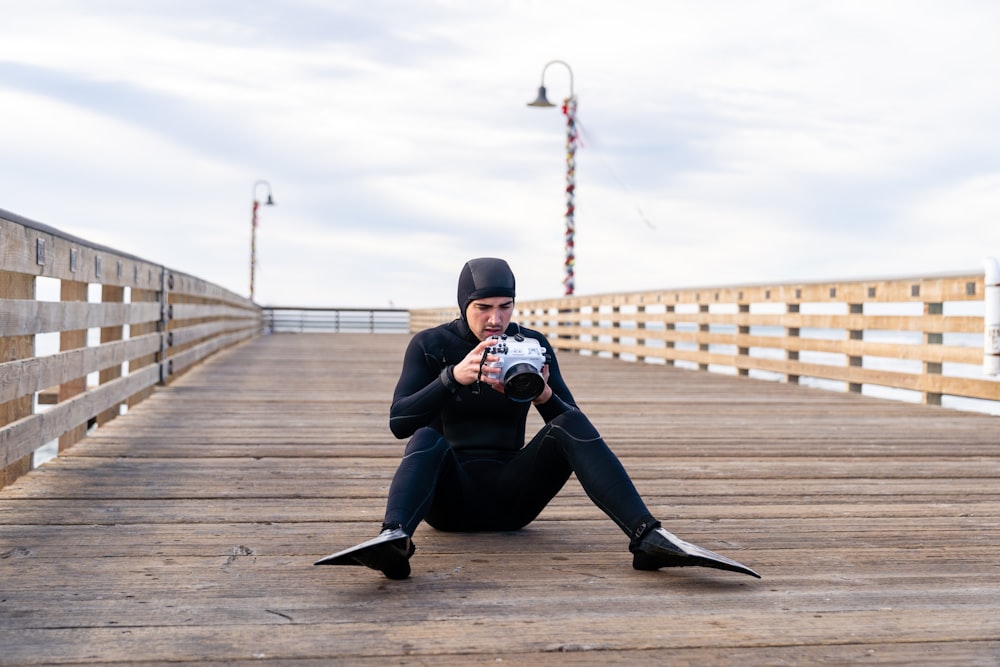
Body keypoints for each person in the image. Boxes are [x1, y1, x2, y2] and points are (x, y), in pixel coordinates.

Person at [316, 257, 759, 580]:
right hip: (450, 502)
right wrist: (452, 378)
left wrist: (543, 393)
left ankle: (647, 538)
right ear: (463, 305)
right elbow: (399, 423)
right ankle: (394, 540)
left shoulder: (530, 344)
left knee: (569, 423)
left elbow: (572, 424)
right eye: (483, 308)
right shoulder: (431, 345)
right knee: (427, 437)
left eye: (505, 307)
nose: (496, 320)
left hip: (514, 501)